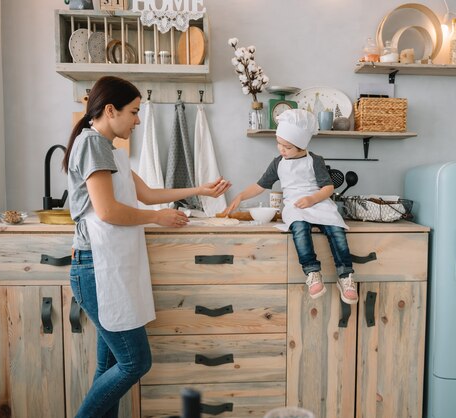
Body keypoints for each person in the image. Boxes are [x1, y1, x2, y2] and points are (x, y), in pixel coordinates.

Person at [62, 75, 231, 418]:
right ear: (111, 110)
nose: (138, 120)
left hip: (106, 266)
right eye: (134, 112)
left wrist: (199, 190)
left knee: (109, 364)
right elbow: (107, 211)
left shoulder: (108, 149)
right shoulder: (93, 145)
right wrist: (156, 219)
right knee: (135, 362)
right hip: (96, 267)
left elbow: (148, 194)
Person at [221, 109, 358, 304]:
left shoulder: (315, 160)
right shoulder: (278, 163)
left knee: (336, 231)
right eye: (279, 143)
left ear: (301, 145)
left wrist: (312, 199)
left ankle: (345, 277)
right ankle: (312, 272)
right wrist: (241, 195)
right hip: (295, 205)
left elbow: (328, 188)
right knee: (299, 229)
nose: (281, 149)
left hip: (319, 202)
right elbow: (260, 185)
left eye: (287, 147)